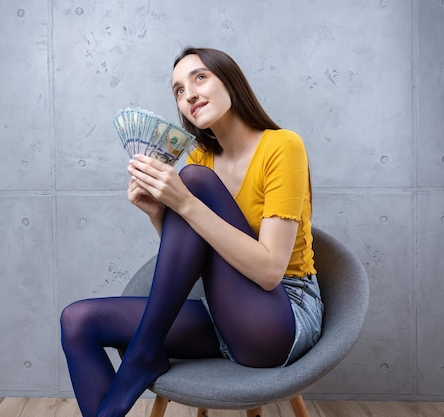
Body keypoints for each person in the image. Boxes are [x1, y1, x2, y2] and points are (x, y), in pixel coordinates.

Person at [60, 47, 323, 417]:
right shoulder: (201, 157)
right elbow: (192, 260)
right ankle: (138, 365)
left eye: (200, 78)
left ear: (230, 80)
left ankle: (143, 354)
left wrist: (185, 202)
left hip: (282, 315)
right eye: (179, 90)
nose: (190, 95)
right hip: (226, 314)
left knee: (194, 182)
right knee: (77, 321)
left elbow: (269, 272)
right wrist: (157, 214)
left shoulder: (282, 146)